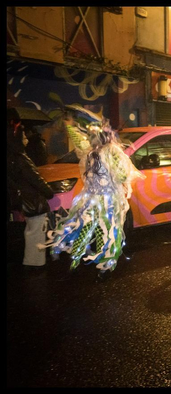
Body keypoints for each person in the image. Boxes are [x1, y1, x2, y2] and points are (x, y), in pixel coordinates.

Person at [43, 112, 144, 279]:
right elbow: (123, 176)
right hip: (107, 199)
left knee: (88, 227)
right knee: (106, 231)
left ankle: (76, 260)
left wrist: (70, 126)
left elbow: (79, 142)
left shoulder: (91, 153)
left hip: (92, 198)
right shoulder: (111, 153)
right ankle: (104, 266)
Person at [7, 108, 54, 267]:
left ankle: (30, 260)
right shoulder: (21, 157)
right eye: (23, 134)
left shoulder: (12, 156)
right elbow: (35, 177)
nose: (25, 136)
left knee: (30, 230)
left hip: (23, 198)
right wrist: (48, 192)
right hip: (32, 199)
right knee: (36, 231)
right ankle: (35, 263)